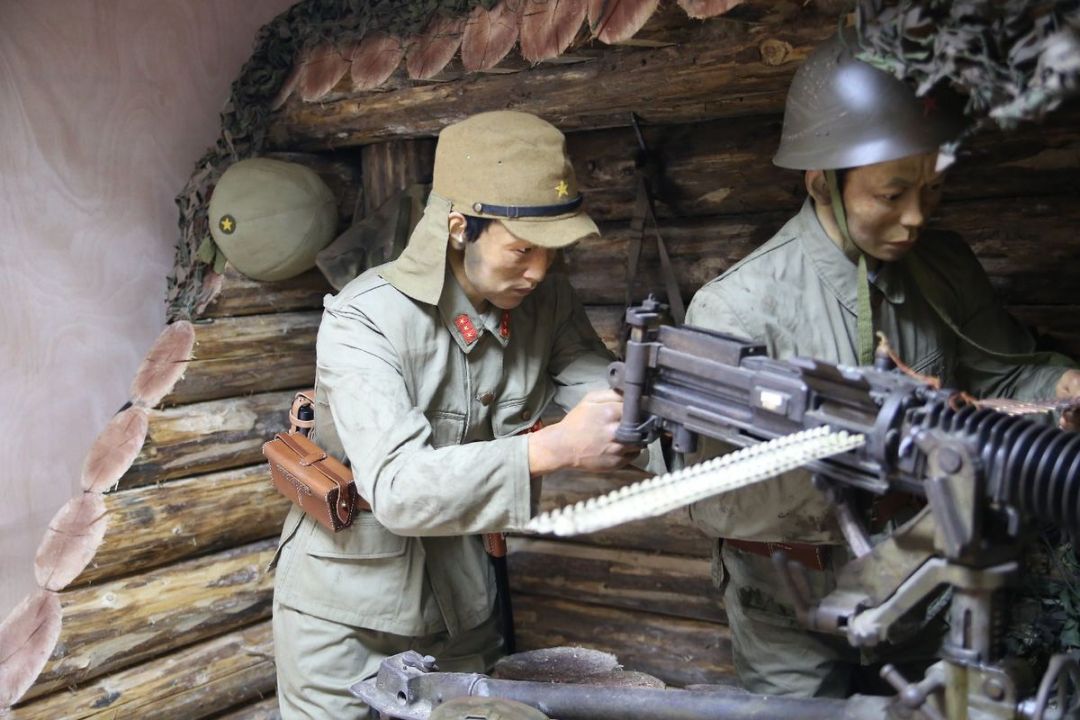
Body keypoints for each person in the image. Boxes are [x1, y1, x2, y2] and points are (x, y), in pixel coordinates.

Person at [685, 31, 1080, 698]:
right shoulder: (736, 309)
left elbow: (1006, 375)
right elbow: (712, 494)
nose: (917, 217)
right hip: (790, 604)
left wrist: (1064, 388)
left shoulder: (945, 267)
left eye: (932, 189)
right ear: (822, 183)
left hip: (926, 583)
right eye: (892, 195)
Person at [271, 111, 641, 717]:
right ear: (458, 228)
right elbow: (397, 488)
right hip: (345, 617)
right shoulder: (364, 318)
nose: (540, 272)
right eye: (522, 250)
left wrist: (651, 411)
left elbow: (598, 388)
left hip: (465, 605)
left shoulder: (546, 301)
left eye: (553, 251)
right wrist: (552, 449)